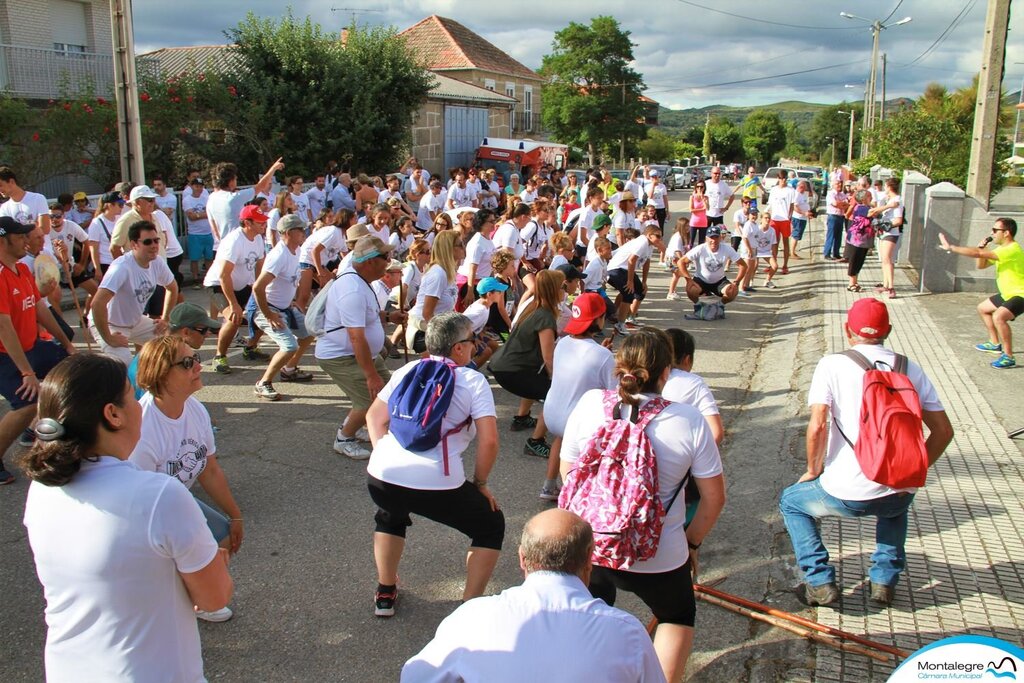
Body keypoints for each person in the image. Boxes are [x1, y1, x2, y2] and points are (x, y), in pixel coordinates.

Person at [21, 353, 232, 680]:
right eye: (132, 396)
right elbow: (214, 597)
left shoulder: (42, 487)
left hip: (68, 668)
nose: (139, 405)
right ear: (113, 414)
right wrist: (212, 564)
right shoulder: (160, 495)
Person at [560, 328, 726, 682]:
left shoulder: (590, 403)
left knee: (591, 611)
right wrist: (692, 542)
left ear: (619, 367)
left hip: (592, 545)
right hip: (659, 553)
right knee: (676, 615)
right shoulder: (688, 421)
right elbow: (714, 498)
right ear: (667, 373)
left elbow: (569, 471)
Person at [779, 299, 954, 606]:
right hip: (898, 487)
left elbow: (818, 425)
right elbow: (944, 431)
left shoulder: (831, 364)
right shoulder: (909, 367)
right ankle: (884, 580)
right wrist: (915, 469)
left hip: (847, 491)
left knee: (792, 503)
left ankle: (819, 581)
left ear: (848, 330)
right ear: (889, 330)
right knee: (897, 505)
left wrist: (812, 469)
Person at [401, 509, 665, 683]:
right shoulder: (626, 632)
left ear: (522, 559)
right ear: (588, 561)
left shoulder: (473, 617)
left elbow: (414, 677)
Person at [365, 312, 503, 616]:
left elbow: (374, 417)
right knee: (490, 525)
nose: (476, 345)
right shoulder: (473, 380)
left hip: (381, 473)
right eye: (472, 340)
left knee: (391, 514)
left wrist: (384, 456)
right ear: (457, 348)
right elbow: (490, 441)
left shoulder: (409, 369)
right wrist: (480, 484)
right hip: (438, 480)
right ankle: (470, 608)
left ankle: (385, 593)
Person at [131, 336, 244, 622]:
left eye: (196, 358)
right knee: (166, 562)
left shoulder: (195, 410)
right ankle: (172, 605)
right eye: (187, 362)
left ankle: (198, 597)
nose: (199, 366)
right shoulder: (142, 428)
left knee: (221, 534)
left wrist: (235, 516)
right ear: (160, 372)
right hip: (146, 512)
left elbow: (210, 469)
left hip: (174, 498)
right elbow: (137, 506)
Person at [0, 217, 75, 485]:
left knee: (73, 371)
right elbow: (4, 327)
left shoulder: (20, 269)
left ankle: (50, 436)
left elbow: (40, 309)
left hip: (30, 347)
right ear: (3, 240)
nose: (25, 241)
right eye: (19, 237)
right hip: (5, 355)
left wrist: (65, 343)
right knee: (27, 403)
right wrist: (27, 372)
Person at [317, 236, 407, 460]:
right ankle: (344, 438)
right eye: (385, 257)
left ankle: (357, 427)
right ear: (370, 261)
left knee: (387, 392)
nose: (389, 261)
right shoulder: (353, 289)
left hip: (357, 354)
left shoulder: (359, 281)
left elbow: (366, 315)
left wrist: (388, 316)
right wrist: (370, 375)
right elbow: (356, 337)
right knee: (370, 399)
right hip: (342, 356)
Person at [539, 292, 615, 501]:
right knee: (583, 445)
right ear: (598, 320)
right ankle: (579, 494)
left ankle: (548, 486)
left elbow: (582, 361)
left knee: (560, 439)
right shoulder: (603, 356)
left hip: (551, 415)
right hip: (574, 421)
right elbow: (614, 392)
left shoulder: (563, 343)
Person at [490, 269, 563, 458]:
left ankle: (521, 418)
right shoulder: (546, 316)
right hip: (511, 371)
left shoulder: (533, 305)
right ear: (554, 290)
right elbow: (549, 359)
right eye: (562, 287)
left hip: (502, 365)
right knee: (555, 395)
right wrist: (560, 385)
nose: (565, 291)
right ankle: (535, 442)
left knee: (537, 376)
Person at [939, 217, 1024, 369]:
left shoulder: (1012, 249)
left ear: (1006, 233)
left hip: (1020, 294)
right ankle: (994, 343)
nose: (992, 233)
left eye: (995, 230)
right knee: (983, 308)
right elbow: (981, 265)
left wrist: (951, 247)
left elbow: (977, 254)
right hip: (1008, 293)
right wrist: (982, 249)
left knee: (999, 317)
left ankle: (1009, 356)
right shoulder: (1000, 250)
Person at [89, 220, 178, 364]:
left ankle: (151, 376)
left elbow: (172, 288)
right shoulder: (121, 268)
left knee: (171, 344)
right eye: (148, 242)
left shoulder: (158, 262)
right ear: (134, 244)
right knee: (124, 365)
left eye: (156, 240)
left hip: (135, 322)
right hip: (109, 324)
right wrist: (108, 337)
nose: (154, 245)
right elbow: (97, 303)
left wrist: (165, 319)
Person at [252, 214, 315, 400]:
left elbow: (290, 281)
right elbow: (258, 287)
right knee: (289, 346)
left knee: (308, 332)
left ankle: (289, 369)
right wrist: (269, 314)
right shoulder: (278, 256)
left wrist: (293, 300)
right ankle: (263, 383)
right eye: (301, 230)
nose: (305, 233)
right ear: (288, 233)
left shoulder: (295, 250)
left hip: (285, 306)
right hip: (267, 308)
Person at [204, 204, 268, 374]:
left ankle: (250, 348)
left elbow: (260, 268)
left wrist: (260, 291)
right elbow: (224, 275)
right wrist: (234, 304)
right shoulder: (234, 241)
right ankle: (220, 357)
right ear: (247, 223)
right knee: (234, 318)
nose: (264, 224)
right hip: (217, 285)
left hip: (241, 285)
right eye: (260, 221)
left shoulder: (259, 238)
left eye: (264, 220)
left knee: (265, 313)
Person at [663, 328, 724, 446]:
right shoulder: (694, 383)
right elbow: (716, 433)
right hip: (680, 454)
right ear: (687, 359)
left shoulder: (641, 376)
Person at [406, 230, 463, 353]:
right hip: (424, 331)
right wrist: (445, 339)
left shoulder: (448, 272)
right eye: (460, 244)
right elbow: (427, 313)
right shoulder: (438, 274)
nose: (464, 248)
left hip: (438, 326)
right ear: (449, 249)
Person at [606, 225, 665, 335]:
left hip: (624, 270)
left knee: (640, 291)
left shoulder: (650, 245)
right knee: (628, 293)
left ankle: (628, 317)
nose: (660, 239)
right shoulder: (642, 242)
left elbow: (646, 262)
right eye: (658, 236)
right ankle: (620, 324)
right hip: (616, 269)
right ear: (649, 235)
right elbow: (631, 261)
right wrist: (630, 281)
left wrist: (644, 281)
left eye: (661, 236)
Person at [206, 158, 284, 241]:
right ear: (231, 181)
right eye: (235, 179)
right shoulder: (234, 198)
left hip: (223, 244)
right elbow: (261, 186)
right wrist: (273, 168)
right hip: (240, 242)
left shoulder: (211, 199)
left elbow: (214, 227)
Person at [681, 226, 746, 305]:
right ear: (706, 238)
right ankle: (698, 305)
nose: (713, 240)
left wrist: (736, 282)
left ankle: (719, 306)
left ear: (720, 238)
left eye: (716, 237)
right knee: (691, 289)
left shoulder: (727, 249)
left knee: (732, 291)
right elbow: (681, 262)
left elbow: (743, 265)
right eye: (711, 238)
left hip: (719, 281)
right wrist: (688, 280)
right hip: (701, 280)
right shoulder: (700, 249)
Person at [868, 178, 903, 299]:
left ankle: (891, 287)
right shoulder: (890, 200)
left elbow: (898, 220)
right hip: (884, 233)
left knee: (888, 259)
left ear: (889, 187)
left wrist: (887, 225)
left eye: (886, 186)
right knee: (884, 259)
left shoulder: (897, 200)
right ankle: (885, 284)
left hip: (891, 233)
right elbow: (874, 209)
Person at [767, 170, 795, 274]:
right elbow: (770, 204)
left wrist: (789, 218)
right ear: (778, 179)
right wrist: (768, 216)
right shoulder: (774, 190)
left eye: (784, 178)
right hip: (774, 219)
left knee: (785, 242)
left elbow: (792, 205)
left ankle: (785, 265)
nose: (782, 180)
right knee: (774, 243)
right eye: (780, 178)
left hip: (785, 220)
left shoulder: (791, 190)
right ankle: (773, 264)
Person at [823, 178, 849, 261]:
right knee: (831, 235)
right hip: (833, 216)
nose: (839, 185)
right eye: (837, 184)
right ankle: (827, 253)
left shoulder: (842, 194)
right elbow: (835, 204)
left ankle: (836, 253)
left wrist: (841, 204)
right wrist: (842, 204)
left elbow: (848, 204)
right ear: (833, 185)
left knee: (839, 236)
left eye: (840, 184)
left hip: (840, 216)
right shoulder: (831, 194)